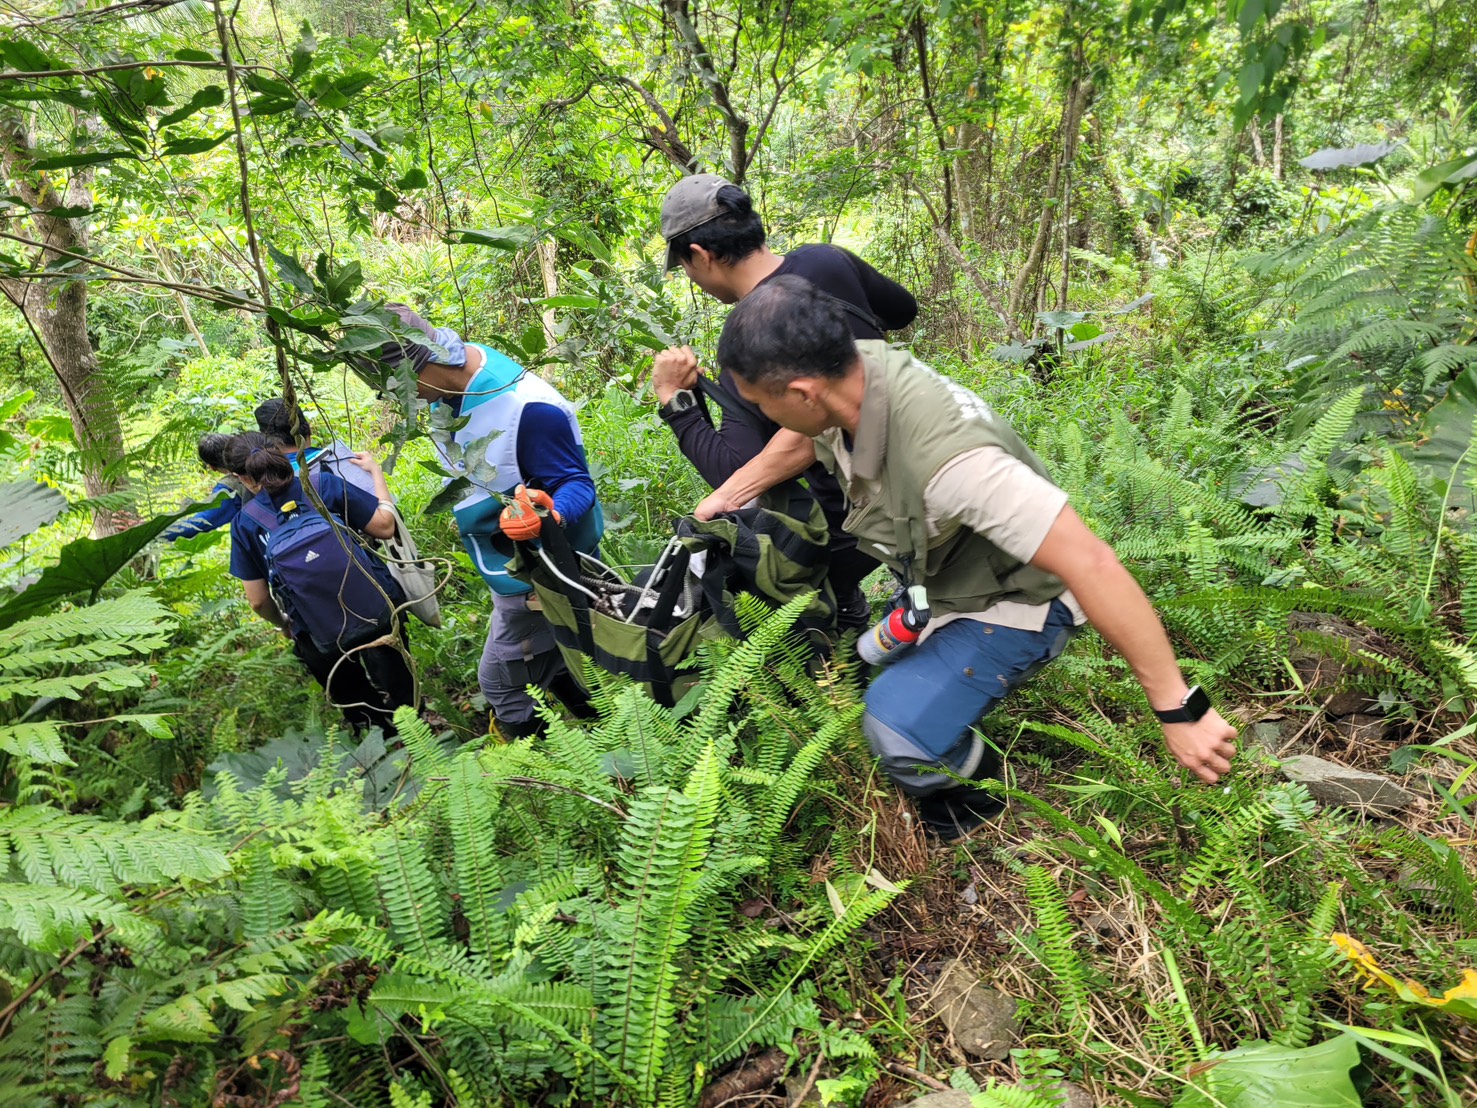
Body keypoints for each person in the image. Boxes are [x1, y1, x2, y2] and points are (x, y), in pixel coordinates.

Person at [712, 276, 1239, 840]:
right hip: (941, 579)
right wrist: (725, 498)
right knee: (863, 658)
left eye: (761, 403)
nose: (761, 414)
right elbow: (800, 438)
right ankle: (939, 705)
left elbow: (1093, 564)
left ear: (803, 392)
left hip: (1019, 600)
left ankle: (978, 802)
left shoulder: (954, 463)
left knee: (895, 729)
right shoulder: (853, 370)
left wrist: (1177, 708)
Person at [653, 174, 919, 630]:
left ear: (700, 255)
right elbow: (902, 309)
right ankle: (855, 604)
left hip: (852, 515)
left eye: (686, 268)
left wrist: (675, 400)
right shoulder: (827, 260)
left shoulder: (749, 337)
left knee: (756, 584)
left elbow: (736, 472)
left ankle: (834, 641)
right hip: (917, 457)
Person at [371, 305, 602, 738]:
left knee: (499, 681)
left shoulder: (527, 410)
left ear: (425, 362)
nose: (402, 399)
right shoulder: (460, 374)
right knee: (557, 657)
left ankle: (535, 769)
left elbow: (577, 483)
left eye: (402, 387)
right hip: (508, 565)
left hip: (540, 573)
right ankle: (600, 723)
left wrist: (547, 514)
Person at [226, 431, 417, 735]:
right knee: (399, 679)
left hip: (314, 628)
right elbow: (385, 526)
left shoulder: (245, 523)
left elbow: (258, 600)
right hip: (375, 605)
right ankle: (416, 730)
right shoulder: (321, 485)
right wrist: (376, 472)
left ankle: (380, 738)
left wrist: (284, 624)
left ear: (240, 478)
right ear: (277, 453)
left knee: (350, 692)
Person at [254, 397, 378, 495]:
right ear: (308, 428)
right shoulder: (351, 461)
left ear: (268, 441)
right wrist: (376, 471)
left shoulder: (270, 483)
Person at [162, 433, 248, 541]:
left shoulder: (229, 488)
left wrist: (156, 534)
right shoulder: (264, 455)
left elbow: (199, 524)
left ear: (212, 467)